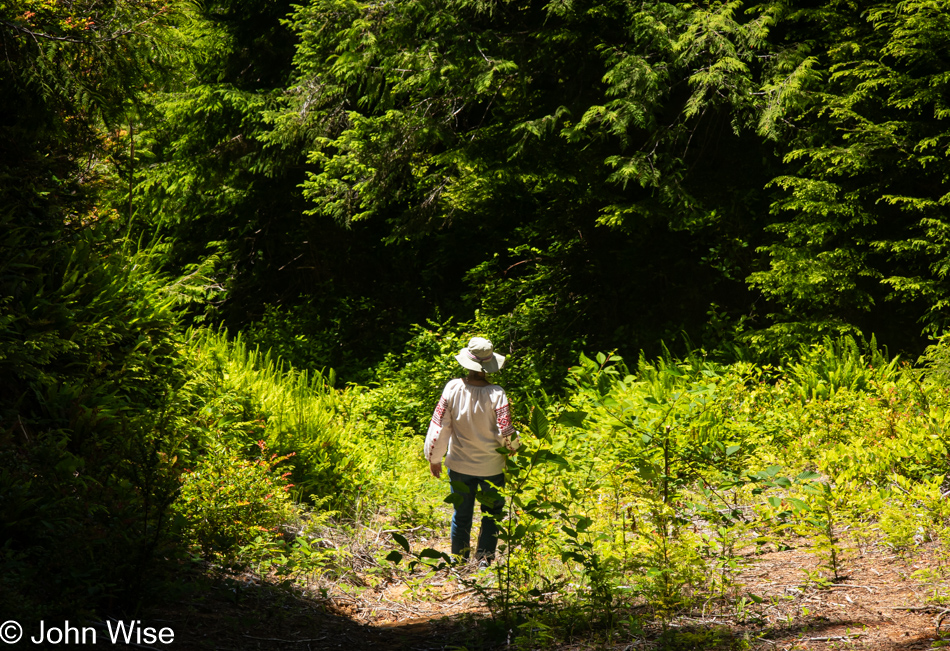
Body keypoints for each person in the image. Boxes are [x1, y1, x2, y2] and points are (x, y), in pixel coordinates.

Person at [424, 337, 520, 562]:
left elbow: (440, 426)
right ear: (489, 366)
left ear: (466, 362)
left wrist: (434, 457)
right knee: (491, 515)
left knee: (462, 514)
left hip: (459, 465)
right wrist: (514, 449)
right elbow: (506, 430)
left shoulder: (453, 387)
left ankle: (459, 562)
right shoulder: (497, 393)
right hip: (491, 468)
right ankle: (484, 562)